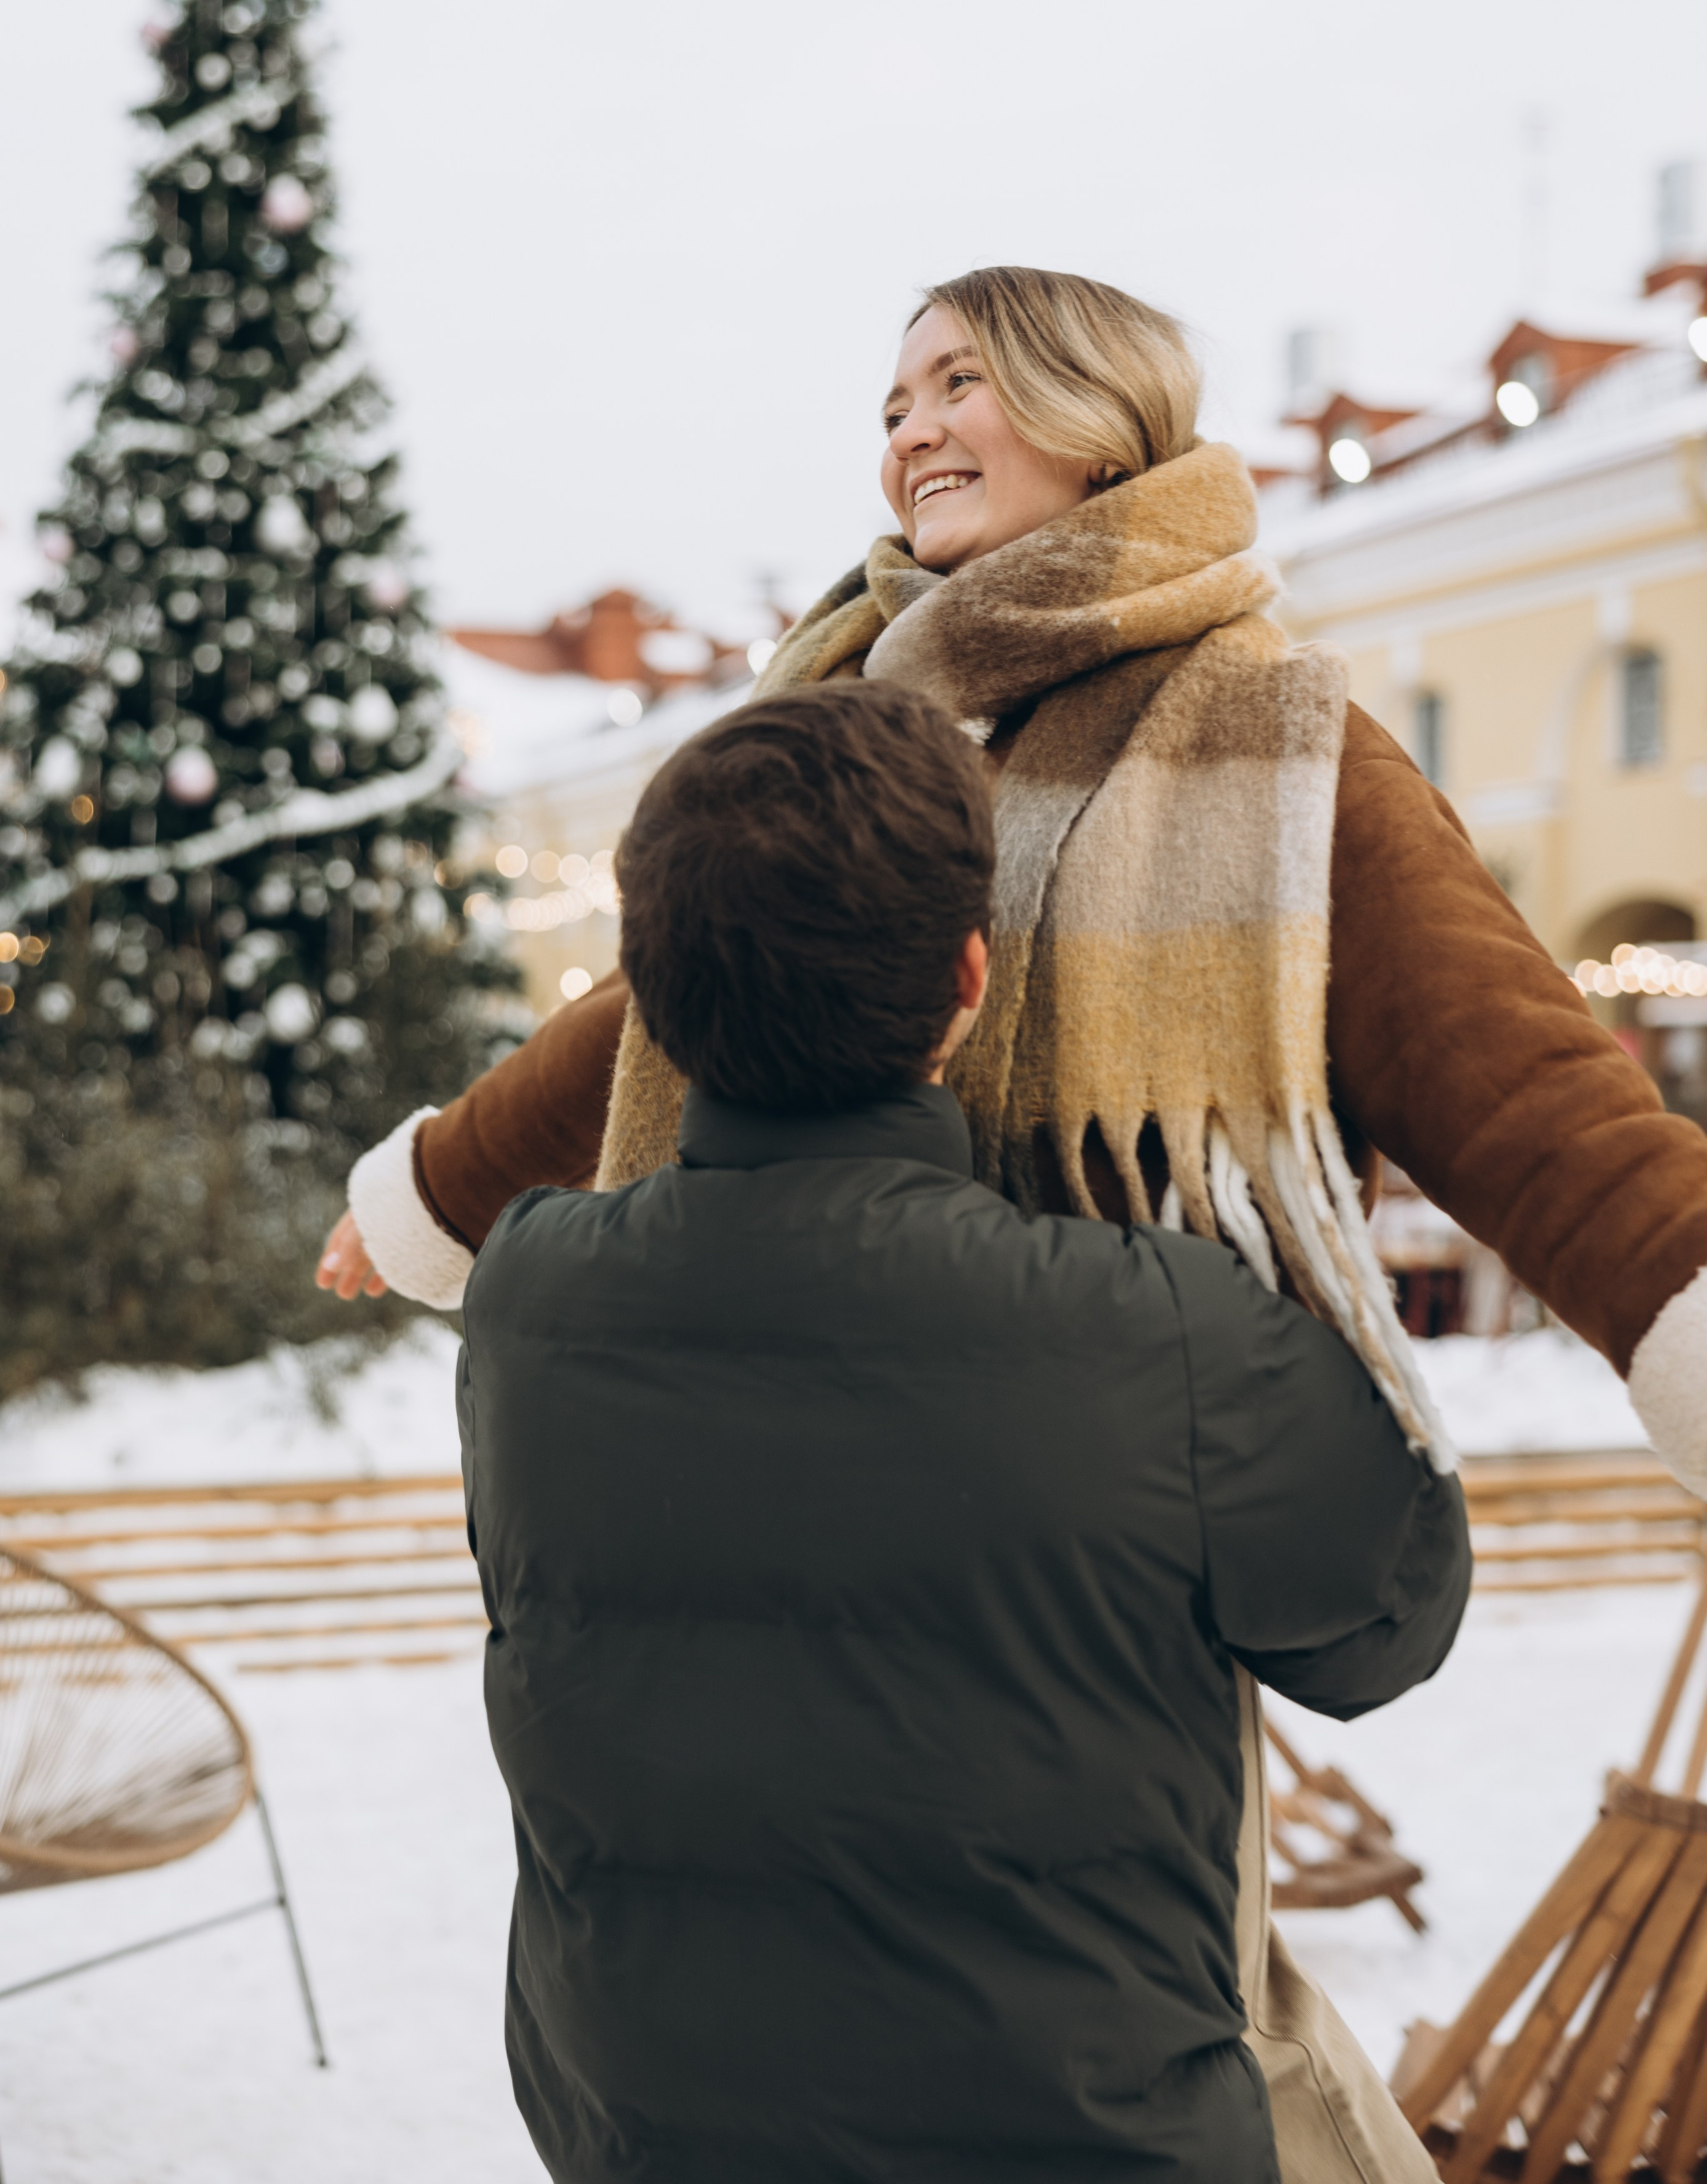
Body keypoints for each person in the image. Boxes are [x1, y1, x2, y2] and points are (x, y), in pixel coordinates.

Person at [322, 265, 1707, 2179]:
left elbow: (1520, 1075)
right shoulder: (827, 712)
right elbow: (666, 999)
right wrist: (436, 1190)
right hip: (885, 1426)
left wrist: (1677, 1297)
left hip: (1077, 1524)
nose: (910, 427)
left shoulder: (1266, 738)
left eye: (964, 380)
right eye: (892, 396)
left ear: (1105, 409)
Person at [458, 679, 1472, 2183]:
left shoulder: (528, 1295)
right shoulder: (1158, 1334)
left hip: (639, 2130)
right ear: (967, 975)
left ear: (646, 1004)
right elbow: (1384, 1624)